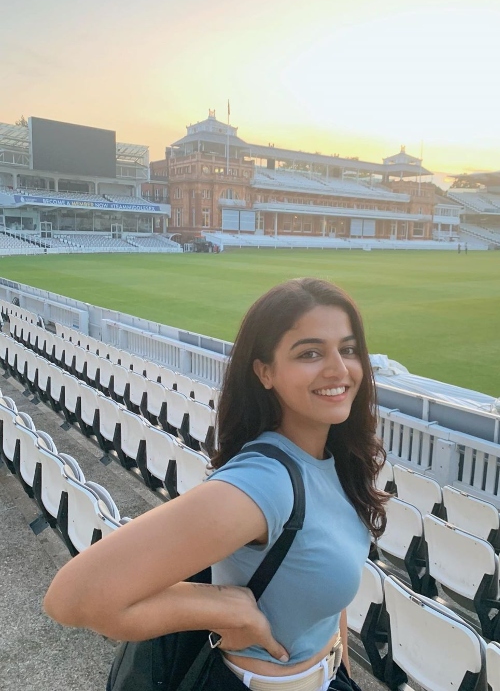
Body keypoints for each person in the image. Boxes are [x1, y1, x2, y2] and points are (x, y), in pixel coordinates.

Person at [43, 278, 388, 691]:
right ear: (265, 372)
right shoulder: (265, 483)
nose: (339, 368)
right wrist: (223, 609)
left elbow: (327, 595)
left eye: (348, 349)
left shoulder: (335, 460)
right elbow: (71, 598)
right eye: (310, 353)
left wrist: (341, 665)